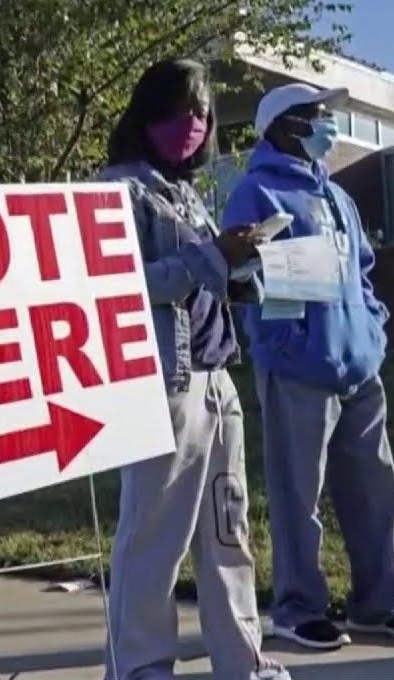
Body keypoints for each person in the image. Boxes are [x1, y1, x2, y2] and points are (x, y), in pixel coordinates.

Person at [221, 82, 394, 649]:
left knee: (374, 491)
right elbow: (251, 280)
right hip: (298, 370)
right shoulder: (257, 192)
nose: (327, 127)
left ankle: (380, 603)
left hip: (359, 367)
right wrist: (287, 345)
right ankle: (298, 608)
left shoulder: (339, 197)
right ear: (285, 126)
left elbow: (362, 271)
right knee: (300, 497)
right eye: (316, 117)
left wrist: (374, 327)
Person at [95, 59, 289, 680]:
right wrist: (209, 256)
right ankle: (141, 666)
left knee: (228, 533)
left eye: (204, 115)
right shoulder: (119, 190)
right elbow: (118, 286)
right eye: (183, 112)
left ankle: (243, 662)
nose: (195, 126)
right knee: (154, 537)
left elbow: (209, 274)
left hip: (216, 379)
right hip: (162, 384)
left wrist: (239, 259)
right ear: (148, 114)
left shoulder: (183, 193)